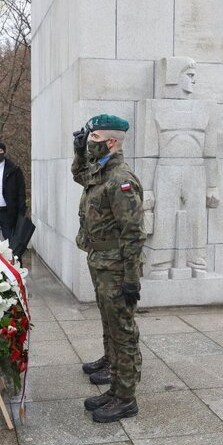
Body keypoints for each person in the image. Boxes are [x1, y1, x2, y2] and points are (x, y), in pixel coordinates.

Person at [72, 114, 145, 422]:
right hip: (101, 263)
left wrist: (131, 279)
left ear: (111, 142)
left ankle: (126, 398)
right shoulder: (101, 171)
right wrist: (79, 151)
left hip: (116, 268)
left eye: (94, 138)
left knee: (122, 332)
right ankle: (115, 387)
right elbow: (80, 175)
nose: (90, 142)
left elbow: (134, 233)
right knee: (111, 326)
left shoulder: (120, 180)